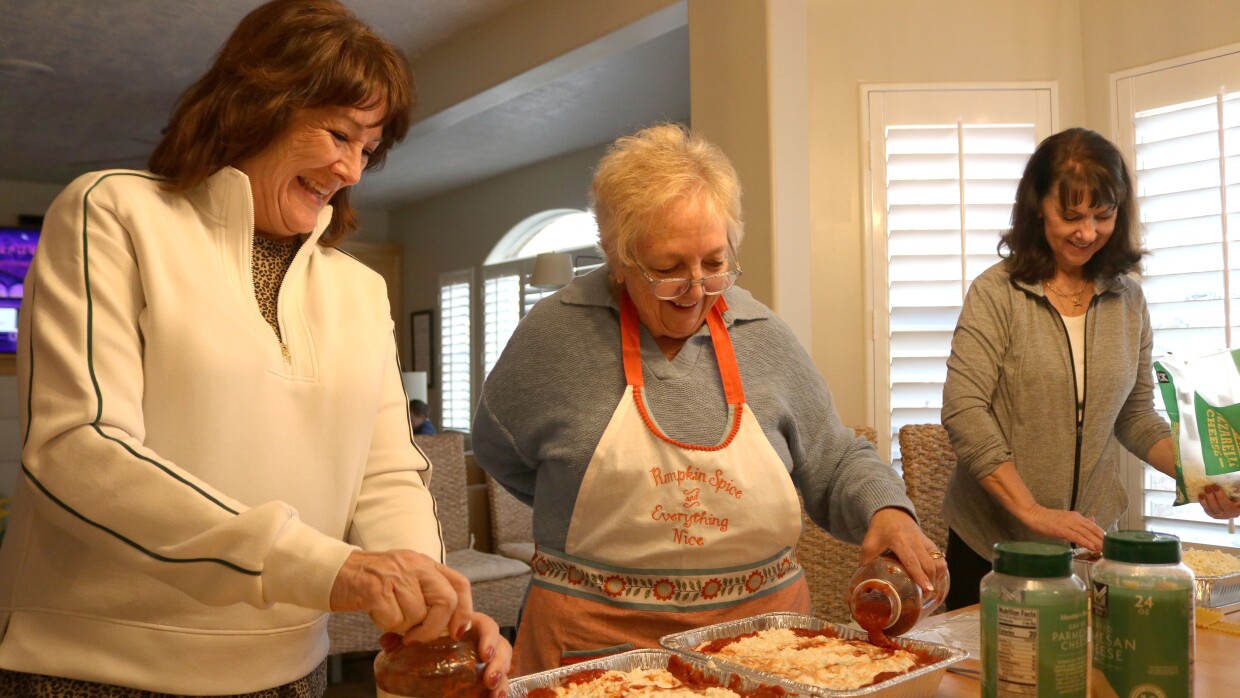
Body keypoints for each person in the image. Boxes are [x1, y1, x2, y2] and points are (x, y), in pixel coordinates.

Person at [0, 1, 511, 695]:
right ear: (256, 103)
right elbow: (79, 447)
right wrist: (324, 566)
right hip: (99, 670)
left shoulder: (357, 289)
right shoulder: (115, 213)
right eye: (338, 134)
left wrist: (426, 597)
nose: (352, 170)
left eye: (368, 148)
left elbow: (386, 473)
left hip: (291, 673)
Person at [472, 123, 943, 675]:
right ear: (618, 259)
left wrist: (887, 509)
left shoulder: (765, 335)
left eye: (715, 264)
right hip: (593, 653)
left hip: (767, 652)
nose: (697, 289)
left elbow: (833, 458)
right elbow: (499, 450)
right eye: (669, 269)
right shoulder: (552, 340)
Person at [940, 127, 1240, 610]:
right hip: (994, 544)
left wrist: (1202, 478)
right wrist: (1034, 513)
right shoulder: (996, 294)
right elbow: (964, 410)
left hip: (1090, 544)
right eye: (1071, 215)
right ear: (1038, 206)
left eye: (1103, 216)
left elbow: (1136, 416)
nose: (1087, 232)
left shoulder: (1128, 299)